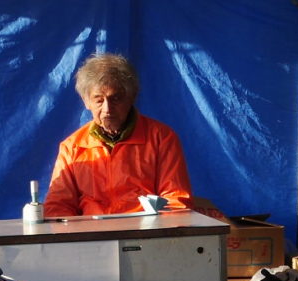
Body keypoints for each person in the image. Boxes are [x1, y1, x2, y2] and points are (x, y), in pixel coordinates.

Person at [44, 53, 215, 218]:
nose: (107, 109)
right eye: (99, 100)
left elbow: (177, 201)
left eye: (116, 99)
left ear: (131, 97)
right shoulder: (72, 147)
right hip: (92, 238)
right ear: (86, 101)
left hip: (145, 237)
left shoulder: (161, 138)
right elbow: (58, 207)